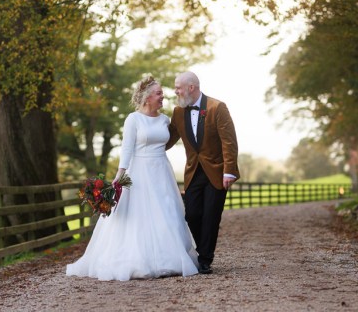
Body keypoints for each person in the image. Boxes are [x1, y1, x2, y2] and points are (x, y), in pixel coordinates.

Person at [66, 75, 199, 280]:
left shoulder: (165, 120)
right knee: (139, 216)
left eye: (162, 93)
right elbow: (127, 149)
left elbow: (172, 140)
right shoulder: (133, 119)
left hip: (161, 171)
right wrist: (118, 179)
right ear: (147, 98)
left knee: (166, 212)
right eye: (158, 93)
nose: (163, 96)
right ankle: (139, 260)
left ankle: (169, 258)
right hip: (138, 173)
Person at [166, 71, 240, 274]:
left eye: (178, 87)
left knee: (211, 217)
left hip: (217, 172)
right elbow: (168, 139)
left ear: (191, 87)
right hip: (193, 173)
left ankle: (205, 259)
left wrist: (229, 171)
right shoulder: (178, 112)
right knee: (192, 215)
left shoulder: (217, 107)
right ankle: (201, 251)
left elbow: (229, 142)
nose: (175, 91)